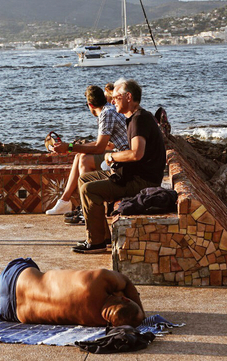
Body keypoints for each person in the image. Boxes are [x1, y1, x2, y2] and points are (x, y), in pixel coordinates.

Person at [72, 78, 166, 253]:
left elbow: (136, 153)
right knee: (84, 180)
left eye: (116, 97)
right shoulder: (134, 118)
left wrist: (111, 157)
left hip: (142, 181)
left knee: (89, 190)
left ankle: (96, 242)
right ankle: (103, 237)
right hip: (131, 175)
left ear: (128, 97)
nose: (112, 100)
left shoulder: (139, 119)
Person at [0, 259, 145, 328]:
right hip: (16, 312)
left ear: (123, 298)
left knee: (5, 285)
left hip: (18, 280)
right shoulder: (95, 321)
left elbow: (125, 281)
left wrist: (139, 309)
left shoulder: (99, 279)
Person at [45, 85, 129, 215]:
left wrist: (69, 147)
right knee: (79, 156)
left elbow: (100, 147)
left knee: (84, 159)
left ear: (90, 105)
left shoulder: (106, 114)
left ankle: (90, 208)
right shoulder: (110, 109)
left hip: (126, 159)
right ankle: (65, 201)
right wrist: (72, 147)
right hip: (121, 153)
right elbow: (107, 144)